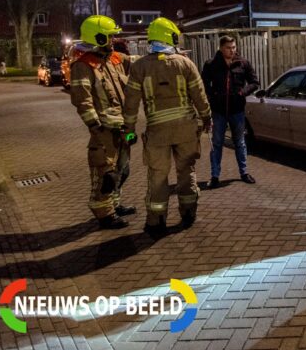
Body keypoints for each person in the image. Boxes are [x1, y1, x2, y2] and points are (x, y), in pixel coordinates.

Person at [123, 18, 211, 238]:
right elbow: (199, 95)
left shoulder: (139, 66)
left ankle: (156, 221)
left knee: (158, 177)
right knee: (186, 172)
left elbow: (131, 103)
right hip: (186, 131)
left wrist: (129, 130)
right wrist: (206, 117)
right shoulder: (185, 63)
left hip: (157, 134)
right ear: (169, 36)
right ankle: (188, 213)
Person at [69, 15, 135, 229]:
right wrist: (95, 127)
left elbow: (136, 62)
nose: (114, 39)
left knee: (122, 170)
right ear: (97, 37)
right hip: (104, 129)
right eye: (109, 36)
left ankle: (115, 204)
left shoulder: (113, 59)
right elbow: (82, 100)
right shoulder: (83, 65)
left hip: (122, 126)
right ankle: (104, 214)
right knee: (105, 173)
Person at [201, 35, 260, 188]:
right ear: (221, 47)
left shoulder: (243, 63)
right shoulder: (211, 64)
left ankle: (244, 172)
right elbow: (204, 83)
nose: (232, 50)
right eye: (228, 47)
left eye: (234, 47)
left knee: (240, 142)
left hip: (237, 110)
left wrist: (243, 92)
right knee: (217, 143)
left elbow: (255, 82)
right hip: (218, 111)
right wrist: (211, 97)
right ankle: (215, 176)